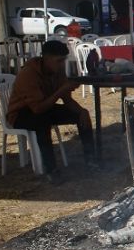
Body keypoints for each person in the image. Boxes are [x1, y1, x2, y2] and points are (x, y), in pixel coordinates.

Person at [6, 40, 96, 184]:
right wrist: (61, 90)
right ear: (46, 58)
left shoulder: (57, 71)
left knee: (81, 116)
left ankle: (91, 161)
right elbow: (37, 108)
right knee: (42, 122)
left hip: (44, 107)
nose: (61, 65)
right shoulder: (29, 73)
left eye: (63, 61)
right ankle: (51, 170)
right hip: (21, 113)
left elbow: (66, 99)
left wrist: (81, 111)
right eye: (58, 61)